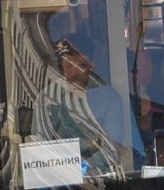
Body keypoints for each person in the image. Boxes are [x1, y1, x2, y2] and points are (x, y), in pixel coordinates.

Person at [53, 34, 144, 169]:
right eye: (68, 65)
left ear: (92, 64)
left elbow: (107, 152)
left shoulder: (108, 99)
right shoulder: (47, 100)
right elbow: (40, 152)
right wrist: (91, 143)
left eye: (80, 66)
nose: (73, 73)